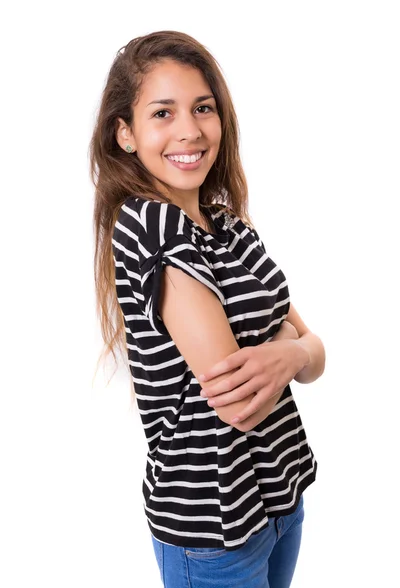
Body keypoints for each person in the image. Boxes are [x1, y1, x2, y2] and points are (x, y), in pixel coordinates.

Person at [89, 30, 325, 588]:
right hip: (211, 523)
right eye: (162, 113)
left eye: (202, 108)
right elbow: (237, 399)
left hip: (277, 494)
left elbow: (316, 353)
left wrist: (293, 355)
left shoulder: (229, 225)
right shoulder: (149, 224)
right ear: (125, 134)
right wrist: (294, 349)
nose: (189, 130)